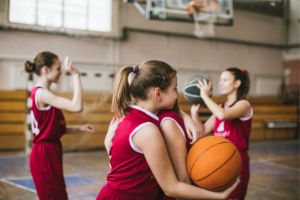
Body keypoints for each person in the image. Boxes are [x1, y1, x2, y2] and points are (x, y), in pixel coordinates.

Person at [97, 60, 240, 200]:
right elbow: (171, 188)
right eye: (175, 88)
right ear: (157, 93)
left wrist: (185, 116)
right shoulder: (147, 130)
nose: (178, 94)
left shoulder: (124, 114)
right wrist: (218, 196)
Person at [24, 51, 95, 200]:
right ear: (45, 69)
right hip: (44, 153)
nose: (61, 72)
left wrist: (79, 128)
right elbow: (77, 106)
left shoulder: (44, 94)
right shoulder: (42, 94)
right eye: (58, 68)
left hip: (50, 150)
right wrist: (75, 75)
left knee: (59, 196)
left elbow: (52, 130)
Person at [191, 67, 252, 200]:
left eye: (225, 80)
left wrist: (204, 96)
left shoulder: (244, 105)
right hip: (217, 159)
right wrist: (195, 113)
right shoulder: (221, 107)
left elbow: (223, 115)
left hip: (236, 160)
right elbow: (202, 132)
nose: (220, 83)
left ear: (237, 83)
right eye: (220, 80)